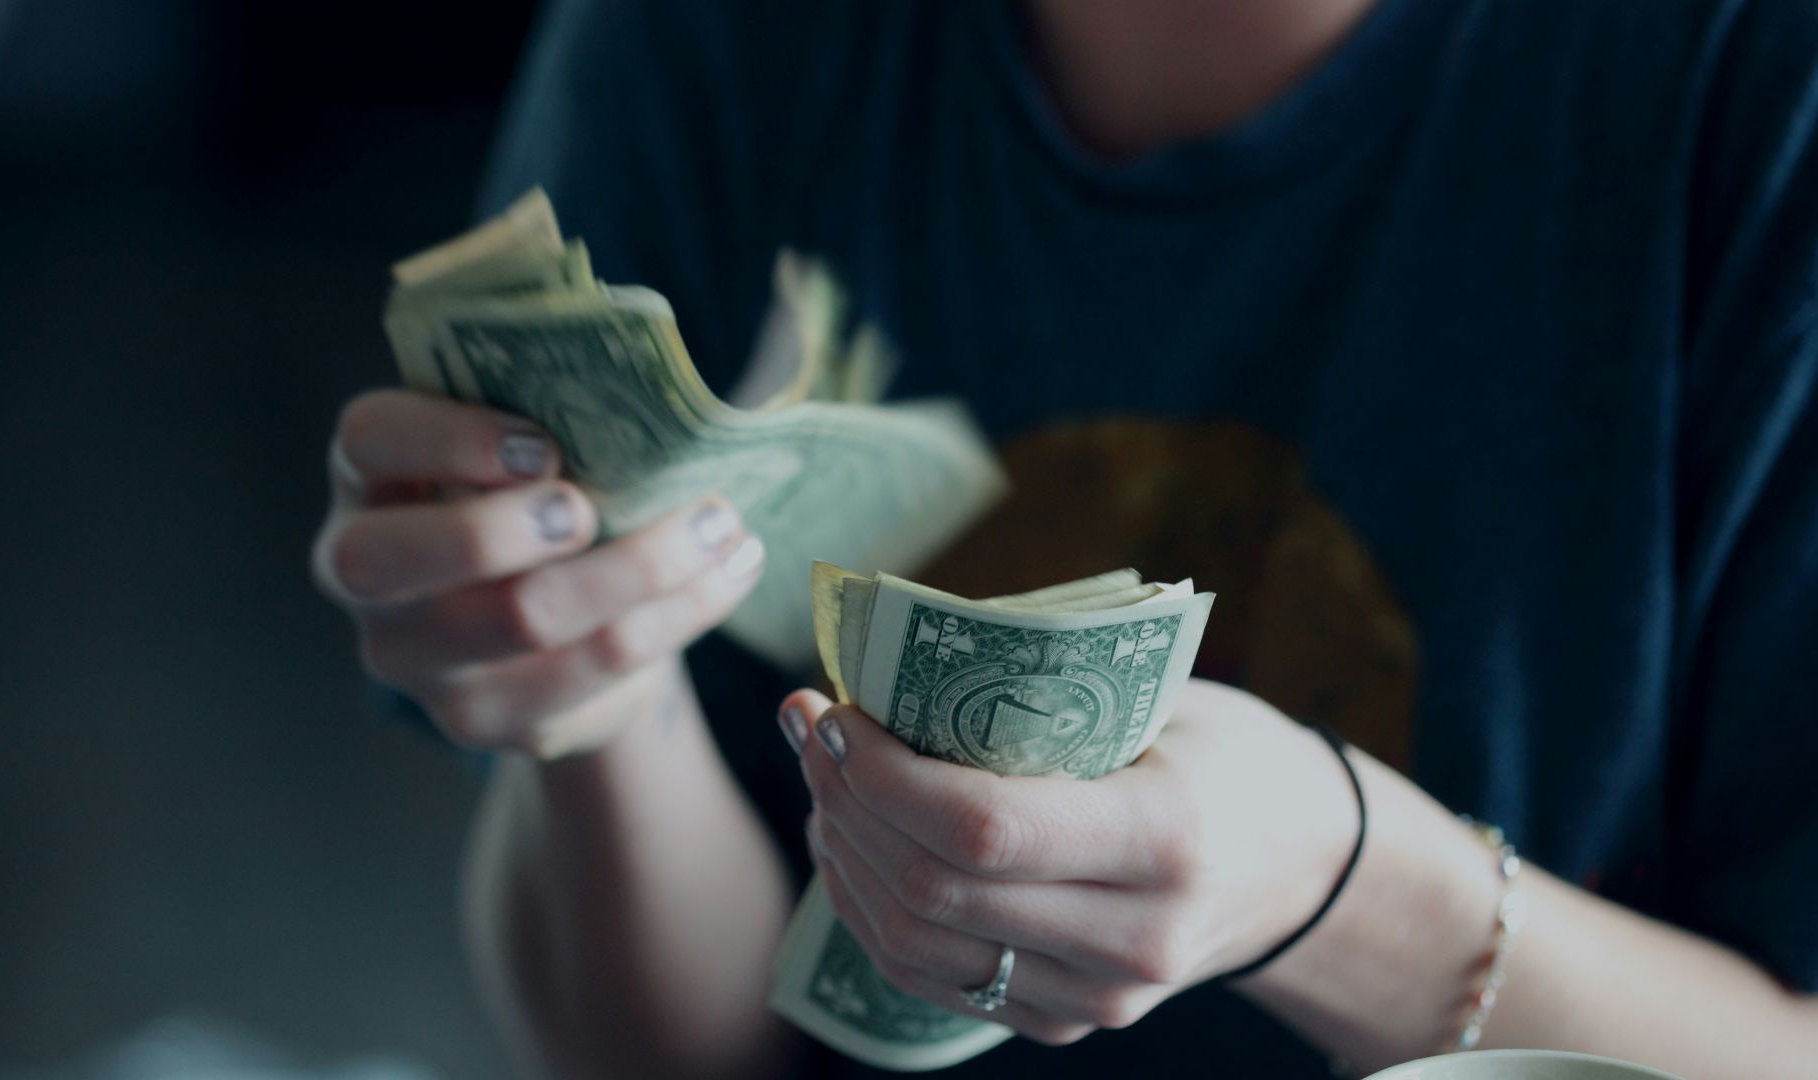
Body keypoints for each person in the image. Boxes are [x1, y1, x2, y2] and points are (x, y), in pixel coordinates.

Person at [310, 0, 1818, 1077]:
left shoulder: (1756, 92)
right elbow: (672, 1058)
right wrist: (592, 704)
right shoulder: (707, 41)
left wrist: (1341, 892)